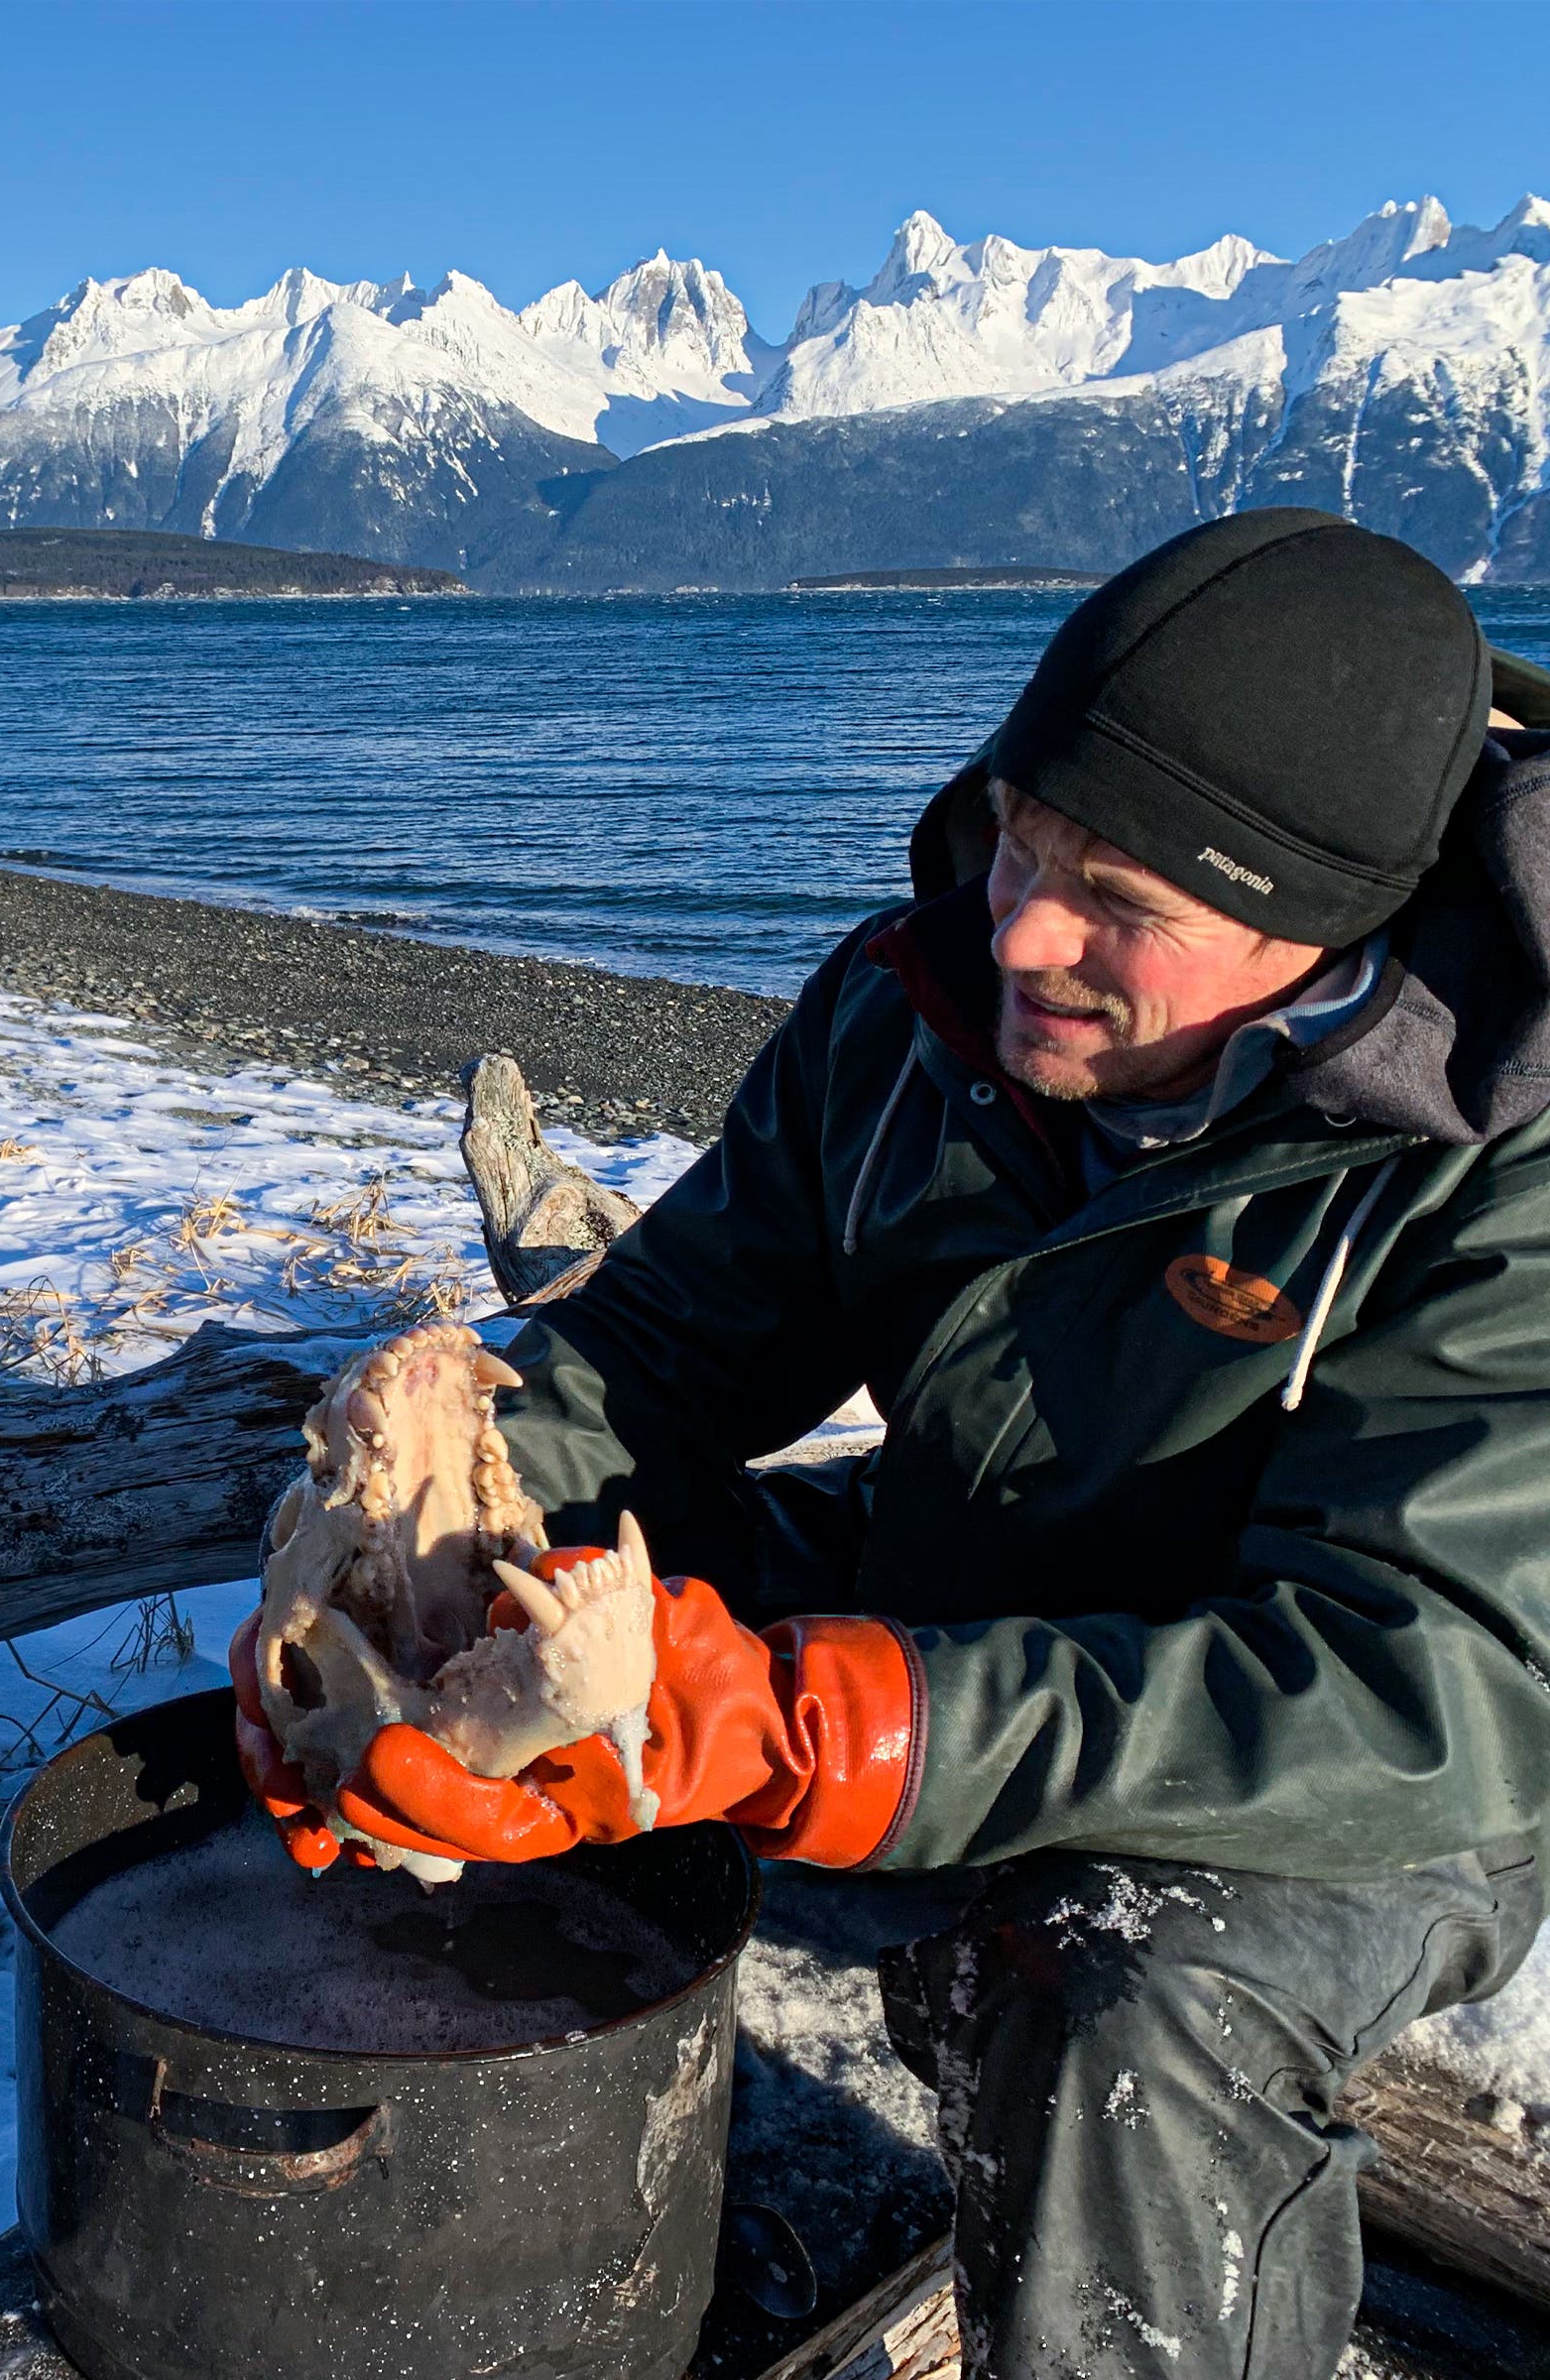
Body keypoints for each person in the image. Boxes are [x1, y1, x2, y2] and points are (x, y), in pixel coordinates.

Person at [236, 510, 1550, 2375]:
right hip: (967, 1581)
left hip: (1352, 1755)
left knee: (1131, 1996)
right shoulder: (912, 1009)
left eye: (1126, 906)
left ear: (1328, 921)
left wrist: (830, 1732)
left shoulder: (1505, 1152)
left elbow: (1440, 1676)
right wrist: (410, 1587)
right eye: (1021, 832)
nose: (1023, 928)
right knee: (528, 1624)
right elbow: (669, 1354)